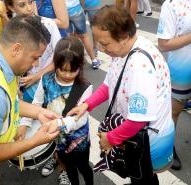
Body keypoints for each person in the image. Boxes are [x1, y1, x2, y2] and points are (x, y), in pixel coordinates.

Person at [68, 5, 175, 185]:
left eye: (104, 43)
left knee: (144, 177)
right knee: (139, 175)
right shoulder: (123, 51)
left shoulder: (139, 66)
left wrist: (109, 139)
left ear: (124, 37)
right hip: (137, 134)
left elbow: (137, 120)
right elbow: (110, 85)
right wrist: (86, 105)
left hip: (147, 140)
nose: (101, 49)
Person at [0, 15, 60, 185]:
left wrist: (39, 112)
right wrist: (35, 141)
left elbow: (8, 101)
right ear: (16, 48)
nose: (37, 65)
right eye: (35, 57)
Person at [18, 37, 93, 185]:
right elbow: (37, 103)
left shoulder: (85, 86)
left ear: (80, 67)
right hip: (56, 137)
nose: (67, 75)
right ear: (56, 64)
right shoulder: (46, 79)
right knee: (68, 167)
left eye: (73, 70)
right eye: (62, 69)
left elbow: (81, 119)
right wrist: (24, 123)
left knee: (84, 167)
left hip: (79, 140)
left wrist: (58, 123)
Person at [5, 0, 61, 103]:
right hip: (26, 86)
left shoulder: (49, 24)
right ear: (11, 7)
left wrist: (37, 76)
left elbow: (61, 58)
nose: (29, 8)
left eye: (30, 2)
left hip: (51, 82)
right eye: (22, 5)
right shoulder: (12, 31)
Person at [157, 0, 191, 171]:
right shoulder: (171, 4)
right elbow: (163, 44)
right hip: (182, 68)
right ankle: (169, 147)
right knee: (175, 111)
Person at [64, 0, 101, 70]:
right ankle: (94, 60)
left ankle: (77, 58)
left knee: (70, 36)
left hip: (63, 10)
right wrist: (82, 6)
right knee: (84, 35)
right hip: (75, 8)